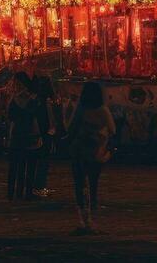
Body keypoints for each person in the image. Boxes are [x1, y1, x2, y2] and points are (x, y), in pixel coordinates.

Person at [64, 81, 116, 233]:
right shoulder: (103, 110)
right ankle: (92, 213)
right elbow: (113, 129)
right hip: (96, 151)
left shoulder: (81, 109)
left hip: (80, 150)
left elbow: (71, 128)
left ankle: (84, 218)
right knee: (93, 183)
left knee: (80, 184)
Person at [6, 73, 45, 201]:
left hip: (24, 135)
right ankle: (19, 192)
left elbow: (11, 116)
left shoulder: (21, 99)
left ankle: (18, 191)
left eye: (17, 83)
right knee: (23, 165)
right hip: (26, 135)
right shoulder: (31, 99)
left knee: (22, 165)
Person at [31, 74, 62, 198]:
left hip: (34, 133)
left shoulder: (34, 100)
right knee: (43, 159)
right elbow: (54, 119)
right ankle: (39, 186)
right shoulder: (46, 104)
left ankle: (33, 185)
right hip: (45, 132)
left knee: (35, 159)